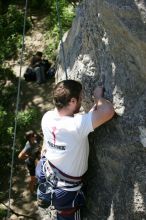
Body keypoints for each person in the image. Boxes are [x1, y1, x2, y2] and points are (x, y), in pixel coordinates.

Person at [36, 80, 115, 220]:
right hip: (65, 191)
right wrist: (98, 97)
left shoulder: (47, 117)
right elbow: (108, 111)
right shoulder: (77, 126)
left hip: (47, 170)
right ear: (72, 101)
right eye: (80, 97)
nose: (82, 99)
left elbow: (76, 124)